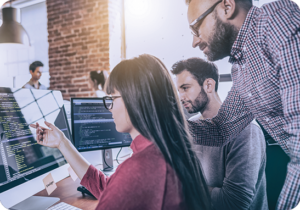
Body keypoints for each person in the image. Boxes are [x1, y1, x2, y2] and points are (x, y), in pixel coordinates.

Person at [30, 54, 211, 210]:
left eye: (112, 99)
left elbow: (122, 186)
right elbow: (110, 188)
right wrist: (62, 142)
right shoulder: (173, 149)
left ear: (134, 100)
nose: (109, 108)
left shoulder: (139, 168)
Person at [185, 0, 300, 209]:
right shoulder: (242, 68)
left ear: (227, 7)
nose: (194, 42)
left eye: (196, 26)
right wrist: (162, 124)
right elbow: (221, 130)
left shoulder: (277, 24)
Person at [172, 57, 268, 210]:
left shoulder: (246, 130)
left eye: (185, 88)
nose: (181, 96)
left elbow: (233, 203)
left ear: (209, 85)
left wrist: (182, 188)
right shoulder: (192, 127)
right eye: (179, 90)